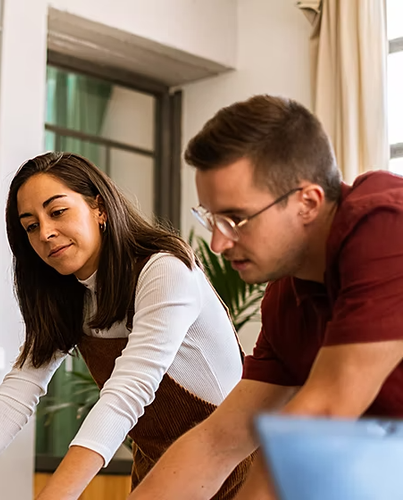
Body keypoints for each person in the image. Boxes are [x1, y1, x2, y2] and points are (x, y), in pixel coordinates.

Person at [129, 94, 403, 500]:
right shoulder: (284, 300)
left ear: (307, 202)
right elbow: (218, 441)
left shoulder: (387, 226)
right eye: (211, 218)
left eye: (236, 219)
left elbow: (325, 412)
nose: (219, 243)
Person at [0, 152, 252, 500]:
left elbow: (127, 391)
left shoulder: (164, 270)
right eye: (30, 225)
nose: (46, 232)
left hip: (237, 466)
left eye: (57, 212)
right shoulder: (69, 296)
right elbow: (16, 395)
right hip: (159, 466)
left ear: (98, 208)